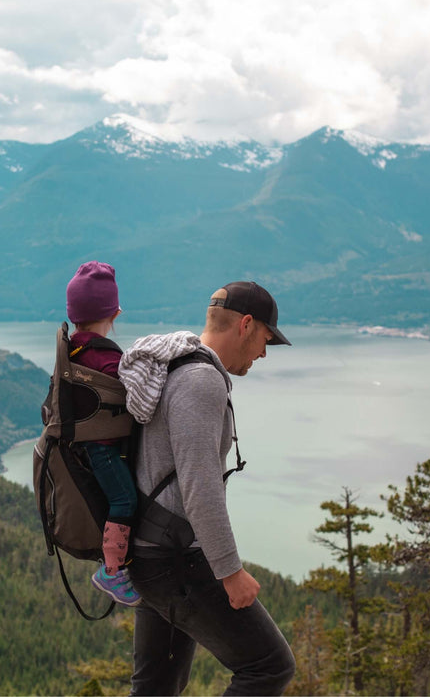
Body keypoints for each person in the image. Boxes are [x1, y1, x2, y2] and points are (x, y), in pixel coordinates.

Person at [117, 280, 296, 696]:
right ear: (246, 325)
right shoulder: (201, 380)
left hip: (149, 552)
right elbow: (200, 488)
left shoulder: (173, 366)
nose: (264, 353)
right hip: (176, 560)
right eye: (266, 340)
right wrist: (230, 572)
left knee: (155, 688)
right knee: (268, 665)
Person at [66, 261, 141, 607]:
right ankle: (112, 571)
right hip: (104, 448)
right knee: (124, 500)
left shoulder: (75, 349)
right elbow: (133, 397)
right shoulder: (105, 359)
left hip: (86, 444)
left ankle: (115, 563)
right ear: (114, 313)